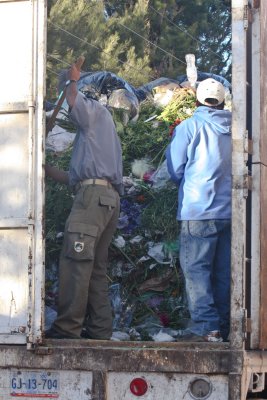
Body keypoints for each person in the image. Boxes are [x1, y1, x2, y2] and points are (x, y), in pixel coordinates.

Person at [45, 62, 123, 340]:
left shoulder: (94, 112)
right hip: (106, 200)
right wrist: (44, 170)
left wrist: (71, 82)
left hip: (92, 200)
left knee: (75, 262)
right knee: (95, 268)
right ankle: (101, 330)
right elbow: (76, 177)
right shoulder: (99, 132)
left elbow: (75, 101)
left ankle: (67, 329)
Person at [166, 78, 232, 342]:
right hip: (229, 212)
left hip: (198, 210)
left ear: (197, 101)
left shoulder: (190, 127)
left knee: (196, 270)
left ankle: (206, 328)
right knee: (222, 273)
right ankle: (224, 327)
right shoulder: (234, 130)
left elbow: (174, 169)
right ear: (223, 101)